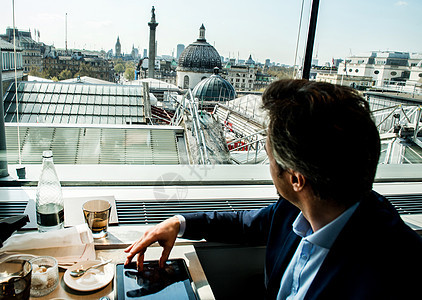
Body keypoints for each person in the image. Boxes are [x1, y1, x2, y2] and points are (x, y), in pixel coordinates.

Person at [125, 79, 422, 299]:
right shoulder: (299, 208)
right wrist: (179, 223)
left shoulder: (395, 275)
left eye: (269, 157)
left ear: (296, 179)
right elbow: (245, 223)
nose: (268, 166)